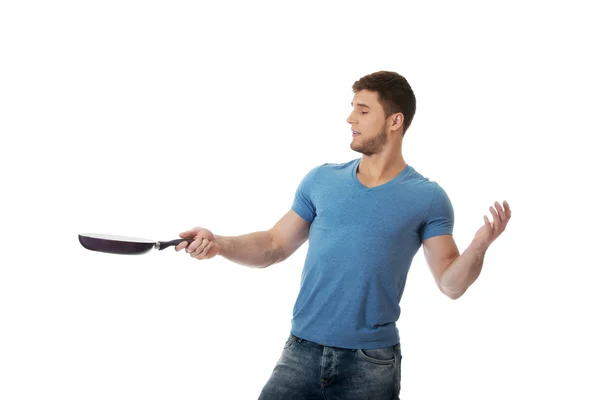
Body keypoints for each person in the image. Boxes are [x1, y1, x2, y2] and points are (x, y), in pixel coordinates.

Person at [175, 71, 512, 400]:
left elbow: (451, 284)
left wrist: (479, 246)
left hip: (371, 364)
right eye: (353, 107)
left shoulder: (427, 198)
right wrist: (219, 244)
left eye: (363, 111)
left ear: (395, 121)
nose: (351, 118)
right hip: (300, 352)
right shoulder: (321, 181)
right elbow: (274, 245)